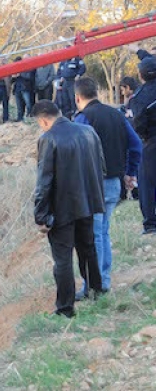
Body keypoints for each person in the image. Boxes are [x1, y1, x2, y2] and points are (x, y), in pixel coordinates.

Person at [32, 100, 105, 318]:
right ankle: (95, 291)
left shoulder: (48, 138)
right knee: (87, 248)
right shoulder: (88, 132)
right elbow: (101, 165)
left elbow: (44, 181)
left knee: (63, 259)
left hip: (61, 208)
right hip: (88, 202)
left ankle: (65, 308)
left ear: (44, 120)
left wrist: (41, 216)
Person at [73, 77, 142, 298]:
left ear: (77, 98)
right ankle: (103, 280)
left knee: (93, 235)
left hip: (92, 184)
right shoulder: (117, 114)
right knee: (103, 232)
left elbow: (76, 153)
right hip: (114, 182)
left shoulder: (83, 118)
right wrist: (130, 172)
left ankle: (95, 286)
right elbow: (136, 145)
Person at [128, 54, 156, 234]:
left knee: (147, 182)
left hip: (151, 142)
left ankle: (151, 223)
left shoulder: (138, 97)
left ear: (141, 75)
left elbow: (138, 123)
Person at [12, 56, 35, 122]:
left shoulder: (28, 67)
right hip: (17, 89)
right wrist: (13, 77)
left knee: (28, 103)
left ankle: (29, 116)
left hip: (25, 88)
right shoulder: (16, 69)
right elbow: (12, 80)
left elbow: (29, 77)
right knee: (19, 104)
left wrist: (20, 74)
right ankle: (20, 117)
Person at [0, 58, 12, 125]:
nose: (2, 62)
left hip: (4, 88)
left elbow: (10, 78)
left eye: (4, 61)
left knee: (5, 105)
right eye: (1, 61)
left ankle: (5, 119)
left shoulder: (8, 68)